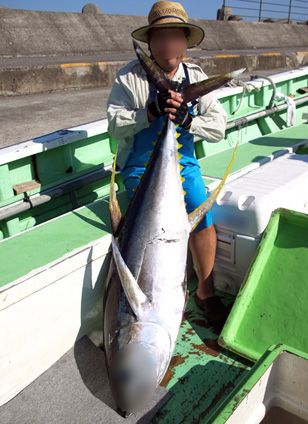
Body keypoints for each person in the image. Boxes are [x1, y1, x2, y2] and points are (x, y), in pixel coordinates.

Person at [107, 1, 228, 328]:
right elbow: (115, 125)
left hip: (183, 163)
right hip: (138, 168)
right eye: (161, 38)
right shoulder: (128, 78)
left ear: (186, 42)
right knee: (142, 225)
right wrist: (150, 111)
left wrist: (188, 120)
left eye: (175, 37)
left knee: (201, 214)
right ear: (150, 43)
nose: (168, 45)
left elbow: (219, 128)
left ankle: (205, 291)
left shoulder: (196, 78)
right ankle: (152, 291)